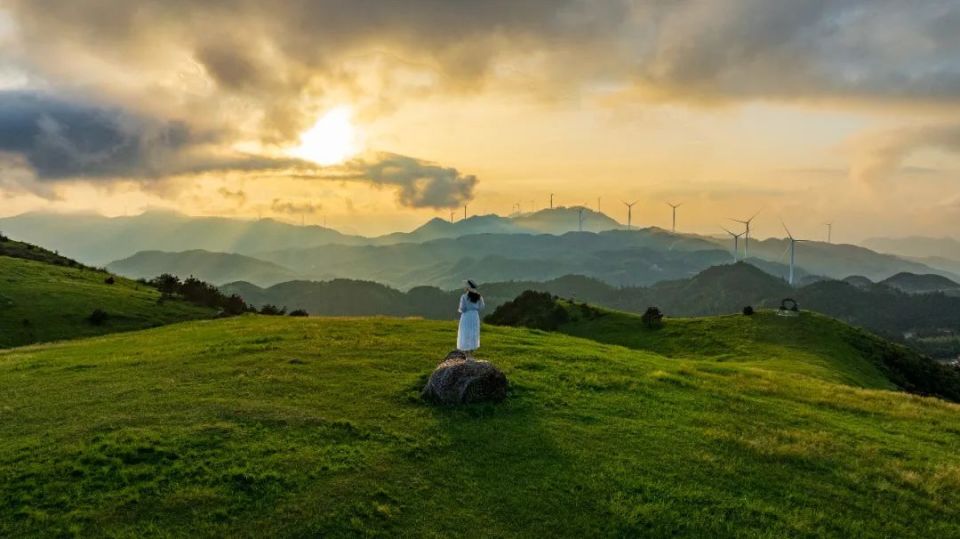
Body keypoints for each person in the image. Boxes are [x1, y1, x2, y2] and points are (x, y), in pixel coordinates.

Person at [457, 279, 485, 358]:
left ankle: (467, 355)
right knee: (473, 333)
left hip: (466, 316)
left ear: (468, 287)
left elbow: (462, 308)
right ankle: (471, 354)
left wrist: (460, 310)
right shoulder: (479, 296)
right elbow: (482, 306)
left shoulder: (464, 296)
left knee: (465, 333)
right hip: (475, 316)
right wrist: (475, 309)